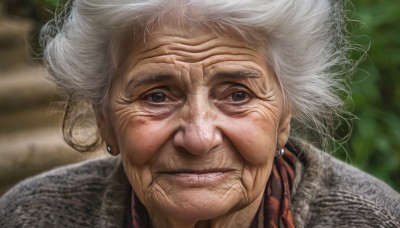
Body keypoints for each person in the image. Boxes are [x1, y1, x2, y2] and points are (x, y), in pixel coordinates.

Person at [0, 0, 399, 227]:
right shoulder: (31, 216)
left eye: (238, 95)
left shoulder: (374, 220)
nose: (199, 137)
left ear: (283, 117)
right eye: (157, 96)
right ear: (105, 119)